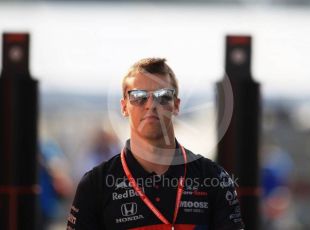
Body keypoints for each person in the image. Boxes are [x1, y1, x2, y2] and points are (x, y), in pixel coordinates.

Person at [67, 58, 245, 229]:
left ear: (176, 105)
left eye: (163, 96)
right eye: (138, 96)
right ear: (123, 107)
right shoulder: (95, 184)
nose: (151, 105)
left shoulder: (215, 178)